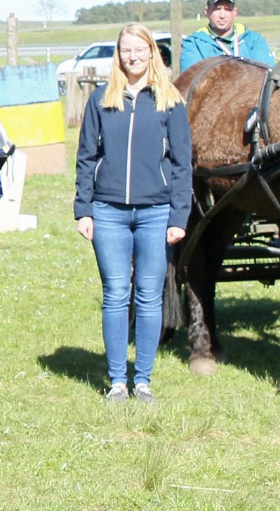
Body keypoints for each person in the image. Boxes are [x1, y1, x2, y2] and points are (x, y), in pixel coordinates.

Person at [74, 23, 192, 405]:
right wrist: (84, 209)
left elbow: (181, 164)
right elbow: (86, 157)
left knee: (148, 295)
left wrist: (178, 217)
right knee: (115, 294)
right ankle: (117, 382)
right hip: (108, 211)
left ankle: (143, 380)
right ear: (118, 55)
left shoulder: (169, 100)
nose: (133, 56)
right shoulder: (100, 100)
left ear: (151, 53)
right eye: (126, 50)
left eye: (140, 49)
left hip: (155, 212)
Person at [177, 0, 273, 72]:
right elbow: (191, 82)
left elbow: (266, 77)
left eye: (227, 9)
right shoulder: (194, 43)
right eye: (217, 9)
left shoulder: (254, 40)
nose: (222, 16)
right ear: (207, 11)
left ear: (234, 12)